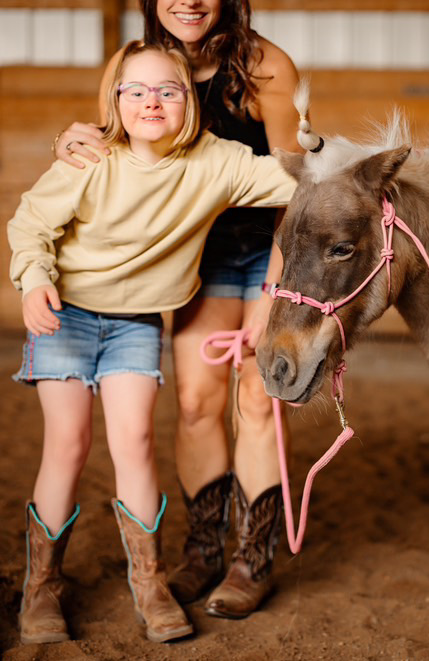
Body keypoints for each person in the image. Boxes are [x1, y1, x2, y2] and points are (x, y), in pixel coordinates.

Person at [8, 41, 295, 645]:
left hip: (136, 322)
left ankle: (150, 581)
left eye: (168, 90)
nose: (151, 101)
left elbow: (291, 178)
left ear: (189, 101)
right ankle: (42, 588)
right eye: (134, 91)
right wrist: (33, 280)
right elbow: (31, 223)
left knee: (135, 439)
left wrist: (316, 145)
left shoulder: (217, 161)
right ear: (114, 100)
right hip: (68, 315)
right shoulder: (92, 159)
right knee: (68, 442)